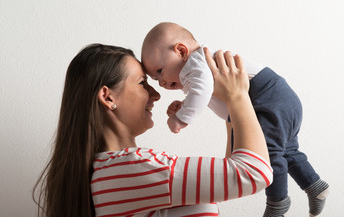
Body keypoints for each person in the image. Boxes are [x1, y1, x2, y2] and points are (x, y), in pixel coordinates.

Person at [33, 43, 273, 217]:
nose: (157, 94)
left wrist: (230, 107)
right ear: (107, 97)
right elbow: (254, 173)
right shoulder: (132, 168)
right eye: (142, 83)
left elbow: (233, 171)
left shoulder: (113, 172)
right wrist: (238, 95)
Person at [141, 22, 329, 217]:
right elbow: (205, 94)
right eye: (155, 79)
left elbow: (201, 91)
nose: (161, 82)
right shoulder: (196, 71)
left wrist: (180, 118)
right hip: (278, 99)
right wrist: (184, 104)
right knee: (287, 150)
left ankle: (278, 201)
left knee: (270, 153)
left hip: (269, 98)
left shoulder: (197, 61)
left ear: (181, 51)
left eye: (160, 71)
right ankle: (315, 186)